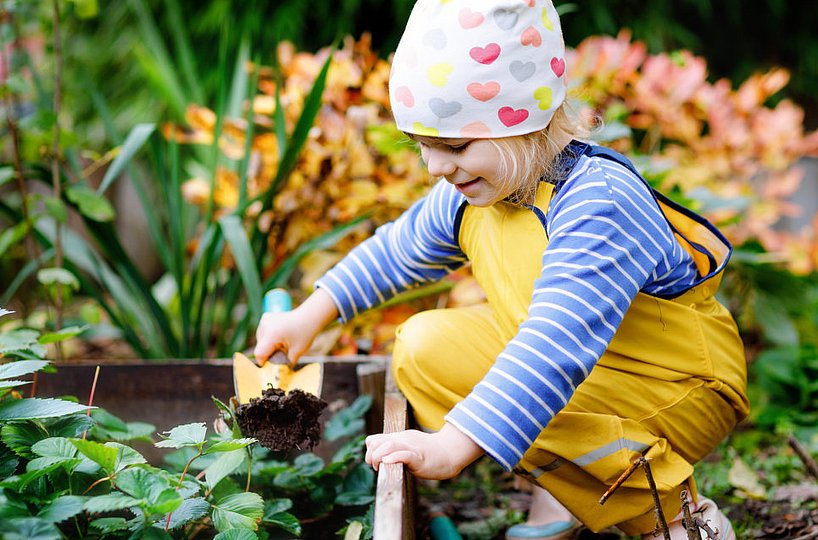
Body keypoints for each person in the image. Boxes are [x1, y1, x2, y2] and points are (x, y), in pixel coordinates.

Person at [254, 0, 749, 538]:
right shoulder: (478, 190)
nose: (436, 168)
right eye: (423, 147)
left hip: (674, 385)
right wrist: (309, 315)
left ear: (525, 122)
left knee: (532, 383)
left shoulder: (597, 201)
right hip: (592, 370)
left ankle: (674, 517)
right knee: (423, 348)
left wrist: (451, 446)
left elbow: (554, 348)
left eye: (455, 145)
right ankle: (564, 493)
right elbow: (397, 250)